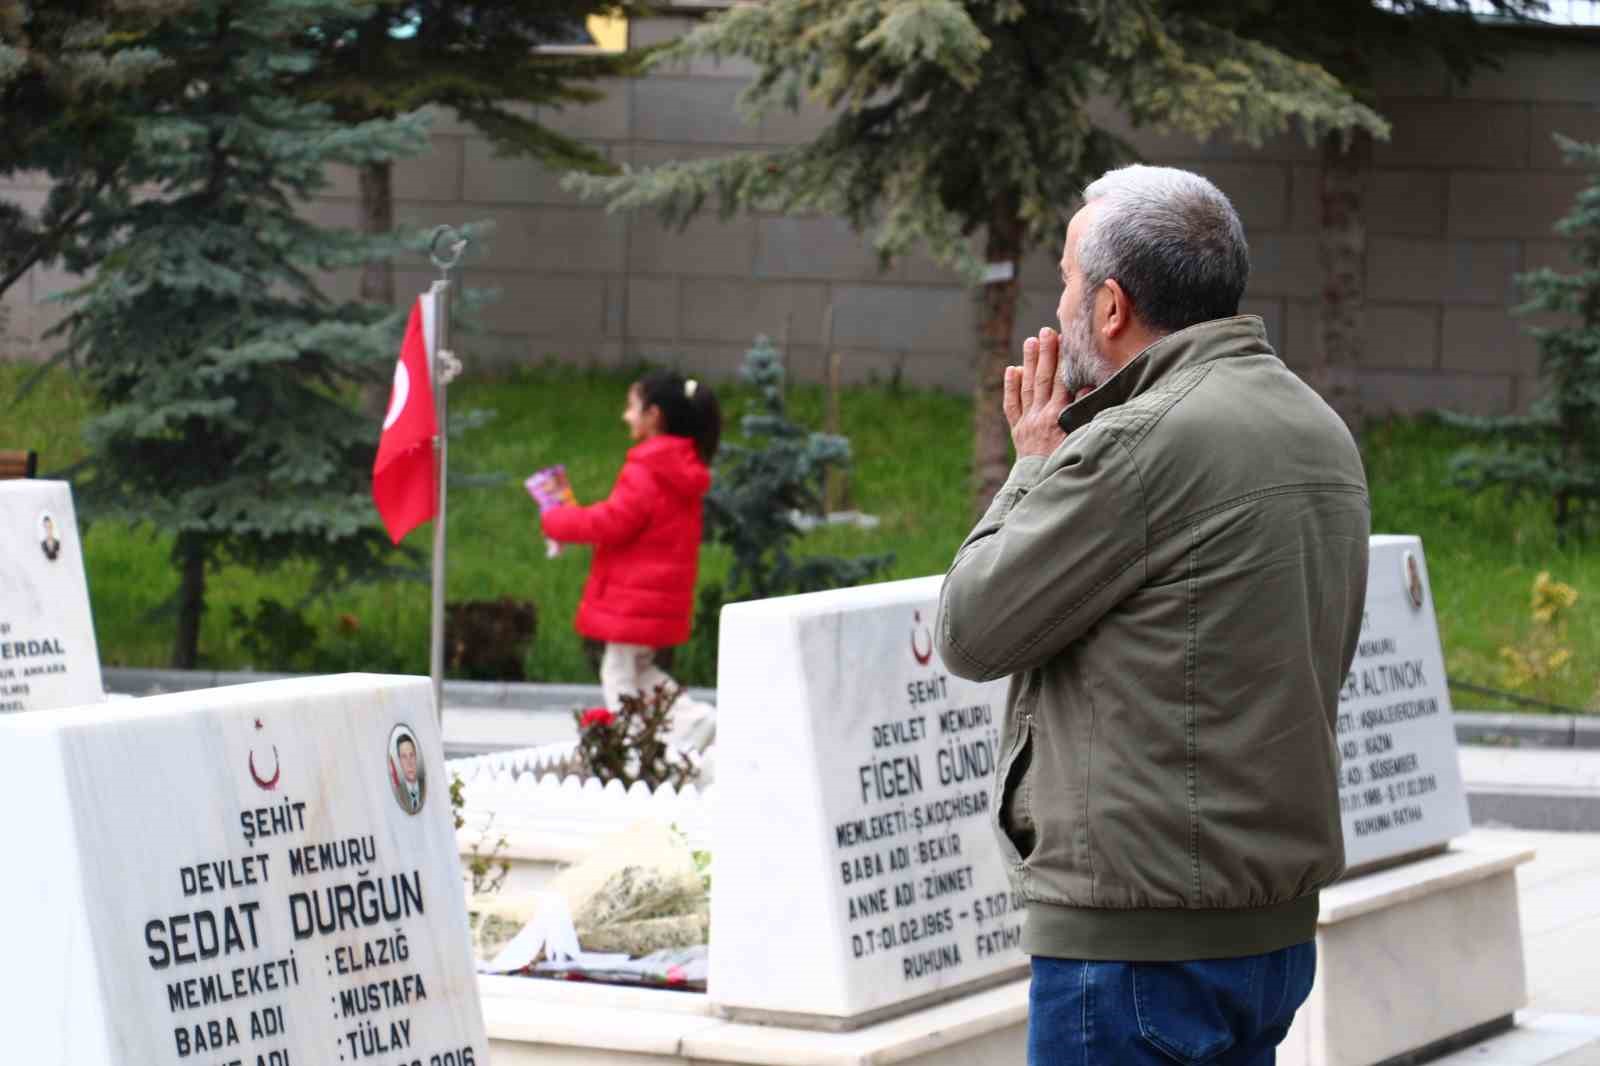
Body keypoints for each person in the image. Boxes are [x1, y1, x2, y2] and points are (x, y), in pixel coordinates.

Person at [937, 165, 1370, 1065]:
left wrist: (1033, 465)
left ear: (1110, 308)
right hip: (1269, 935)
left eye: (1065, 282)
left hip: (1135, 949)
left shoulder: (1138, 445)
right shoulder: (1316, 425)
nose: (1056, 310)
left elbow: (972, 631)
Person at [541, 369, 721, 733]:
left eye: (631, 407)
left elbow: (613, 522)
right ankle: (696, 721)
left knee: (618, 675)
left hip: (634, 596)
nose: (626, 415)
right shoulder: (681, 469)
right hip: (655, 595)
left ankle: (633, 747)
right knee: (641, 672)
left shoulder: (649, 469)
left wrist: (557, 520)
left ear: (654, 416)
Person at [390, 731, 426, 813]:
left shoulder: (427, 788)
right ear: (399, 761)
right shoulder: (397, 793)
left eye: (411, 755)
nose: (409, 762)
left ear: (416, 757)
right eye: (404, 757)